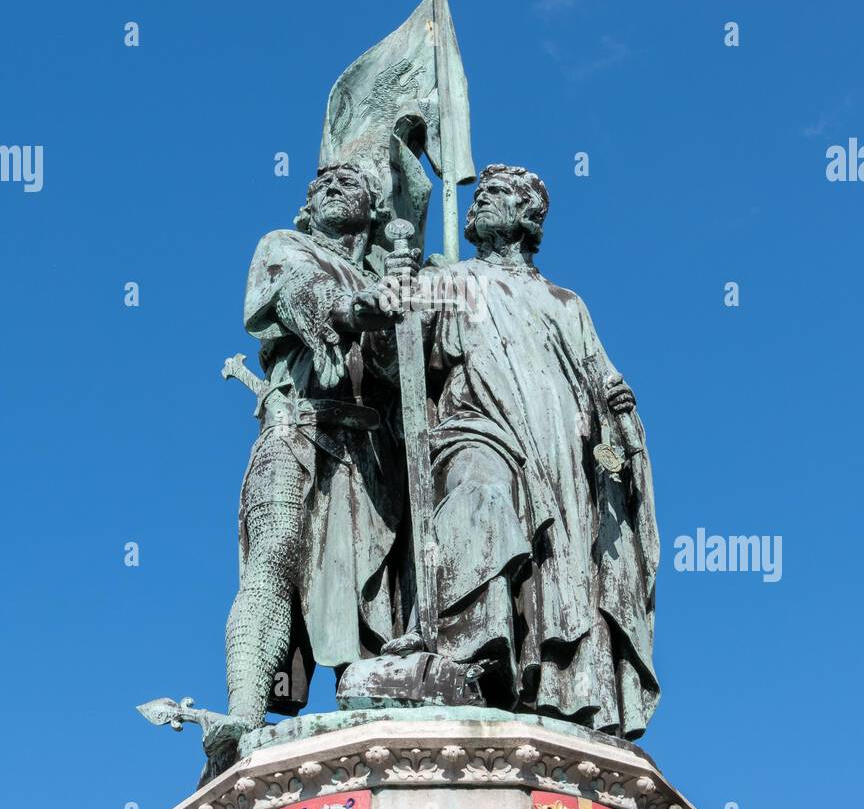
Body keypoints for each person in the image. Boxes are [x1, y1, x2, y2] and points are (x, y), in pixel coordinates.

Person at [424, 164, 660, 738]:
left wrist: (620, 418)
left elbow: (602, 382)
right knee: (478, 497)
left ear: (528, 218)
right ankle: (472, 656)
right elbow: (392, 345)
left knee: (560, 567)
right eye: (478, 195)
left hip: (556, 448)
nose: (479, 203)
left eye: (497, 195)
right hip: (476, 423)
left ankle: (554, 683)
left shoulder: (565, 302)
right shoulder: (447, 278)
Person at [224, 161, 408, 730]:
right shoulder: (284, 246)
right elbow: (291, 291)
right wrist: (360, 309)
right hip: (294, 427)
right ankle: (244, 714)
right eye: (320, 184)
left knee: (371, 591)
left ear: (375, 209)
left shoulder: (386, 276)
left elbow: (402, 371)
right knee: (275, 549)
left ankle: (372, 708)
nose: (329, 187)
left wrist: (406, 307)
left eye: (346, 183)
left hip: (369, 450)